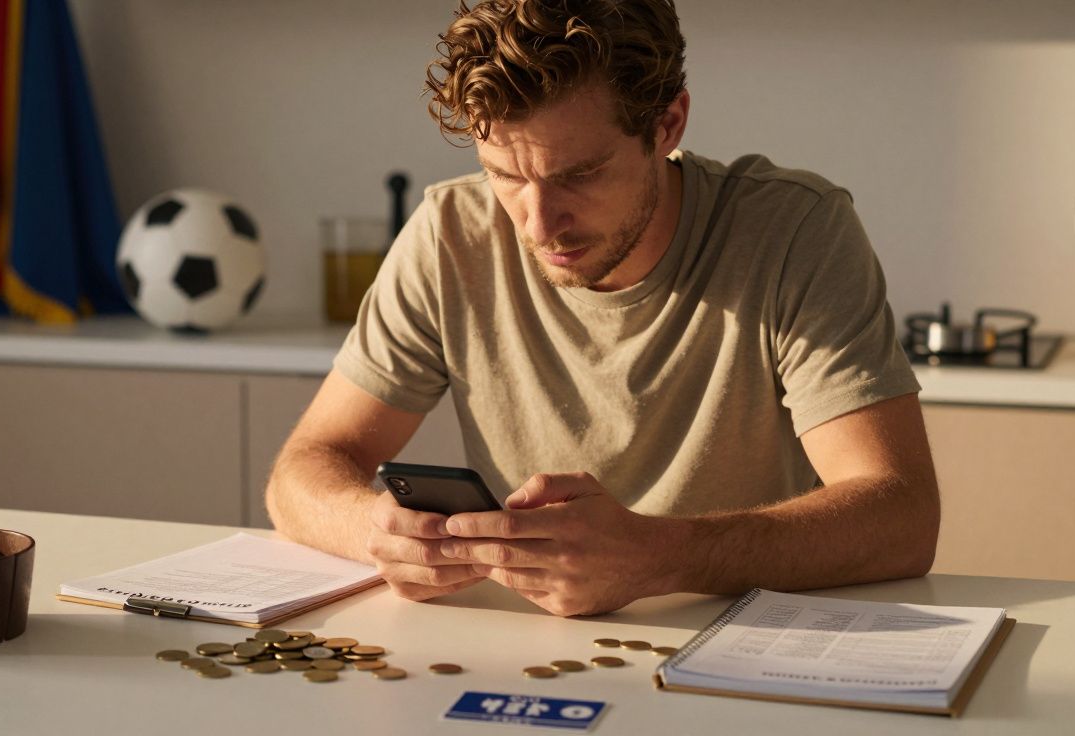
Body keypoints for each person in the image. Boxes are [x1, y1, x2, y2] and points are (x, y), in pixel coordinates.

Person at [266, 0, 938, 617]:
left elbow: (901, 517)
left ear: (667, 125)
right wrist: (375, 530)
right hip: (521, 652)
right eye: (506, 175)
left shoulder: (794, 231)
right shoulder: (450, 234)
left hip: (733, 644)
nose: (538, 225)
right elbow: (304, 468)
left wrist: (663, 557)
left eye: (579, 175)